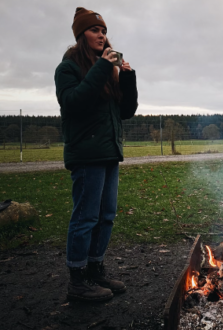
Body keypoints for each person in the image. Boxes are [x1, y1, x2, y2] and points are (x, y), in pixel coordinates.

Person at [54, 7, 138, 302]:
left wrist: (126, 78)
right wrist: (103, 68)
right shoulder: (68, 68)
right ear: (81, 36)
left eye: (103, 31)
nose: (101, 35)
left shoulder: (107, 72)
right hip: (87, 154)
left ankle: (95, 269)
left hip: (108, 152)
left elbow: (125, 112)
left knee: (106, 215)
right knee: (86, 217)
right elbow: (73, 103)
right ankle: (77, 281)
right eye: (94, 30)